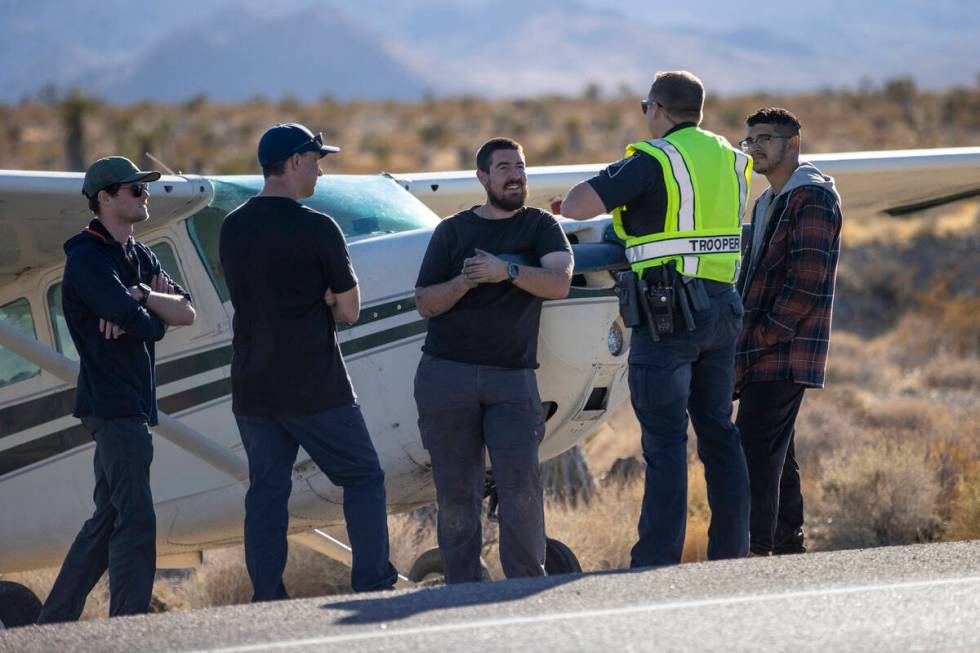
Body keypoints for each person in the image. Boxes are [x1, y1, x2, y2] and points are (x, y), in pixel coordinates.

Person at [562, 71, 752, 567]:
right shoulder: (731, 157)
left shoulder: (653, 159)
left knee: (665, 442)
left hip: (671, 315)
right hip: (723, 306)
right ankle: (733, 551)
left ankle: (656, 561)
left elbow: (580, 205)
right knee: (718, 432)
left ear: (659, 110)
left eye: (647, 106)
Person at [219, 123, 397, 599]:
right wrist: (325, 298)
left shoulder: (232, 227)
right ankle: (373, 583)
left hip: (253, 386)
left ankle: (267, 596)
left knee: (267, 494)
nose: (320, 169)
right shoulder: (318, 227)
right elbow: (351, 310)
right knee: (363, 477)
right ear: (295, 162)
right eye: (316, 159)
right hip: (315, 384)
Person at [38, 157, 196, 623]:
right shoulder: (87, 258)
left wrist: (143, 298)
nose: (144, 195)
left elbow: (184, 313)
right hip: (112, 406)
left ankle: (53, 621)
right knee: (136, 518)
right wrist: (148, 312)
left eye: (143, 189)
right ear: (105, 199)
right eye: (133, 190)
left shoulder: (139, 256)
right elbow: (152, 328)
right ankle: (129, 623)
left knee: (107, 518)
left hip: (132, 403)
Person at [414, 137, 573, 583]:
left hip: (512, 380)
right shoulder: (452, 231)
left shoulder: (541, 226)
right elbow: (425, 301)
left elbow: (560, 282)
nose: (515, 175)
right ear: (482, 177)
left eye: (520, 166)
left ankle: (525, 584)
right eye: (503, 167)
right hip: (447, 376)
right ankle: (462, 588)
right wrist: (466, 282)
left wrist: (509, 272)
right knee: (457, 493)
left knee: (520, 486)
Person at [735, 108, 842, 556]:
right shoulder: (766, 202)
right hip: (764, 349)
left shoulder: (812, 197)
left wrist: (762, 336)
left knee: (754, 450)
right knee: (778, 453)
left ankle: (756, 550)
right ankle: (787, 545)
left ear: (793, 143)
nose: (755, 147)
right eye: (750, 140)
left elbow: (806, 280)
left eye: (766, 138)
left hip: (785, 348)